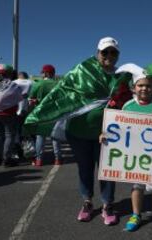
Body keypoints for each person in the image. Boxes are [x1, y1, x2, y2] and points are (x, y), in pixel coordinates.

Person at [24, 36, 132, 225]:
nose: (109, 55)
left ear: (118, 55)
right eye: (104, 52)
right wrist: (41, 113)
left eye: (113, 52)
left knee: (107, 171)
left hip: (108, 135)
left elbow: (129, 102)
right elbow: (62, 91)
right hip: (79, 132)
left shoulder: (122, 76)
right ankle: (87, 202)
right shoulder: (82, 70)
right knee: (85, 168)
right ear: (97, 53)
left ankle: (108, 204)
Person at [100, 63, 152, 232]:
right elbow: (118, 127)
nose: (144, 89)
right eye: (140, 85)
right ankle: (136, 214)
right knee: (137, 185)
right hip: (135, 155)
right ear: (133, 88)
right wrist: (106, 135)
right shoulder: (127, 106)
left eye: (148, 86)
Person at [0, 64, 24, 166]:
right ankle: (6, 158)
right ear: (10, 73)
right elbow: (20, 97)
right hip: (8, 114)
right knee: (9, 136)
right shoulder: (12, 85)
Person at [29, 65, 62, 166]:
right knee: (55, 137)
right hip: (55, 113)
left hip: (41, 113)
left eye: (42, 72)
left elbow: (31, 99)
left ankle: (39, 160)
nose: (41, 74)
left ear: (46, 73)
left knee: (40, 137)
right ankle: (57, 159)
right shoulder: (58, 84)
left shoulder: (38, 84)